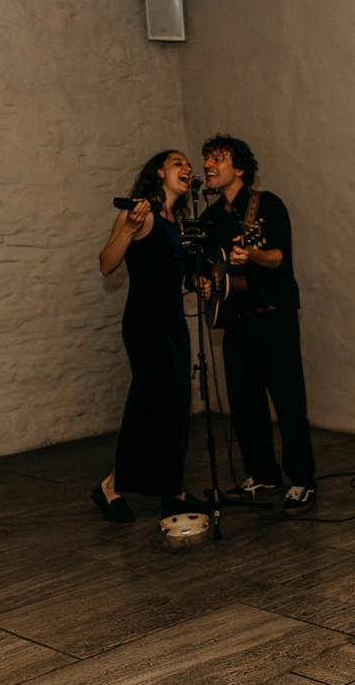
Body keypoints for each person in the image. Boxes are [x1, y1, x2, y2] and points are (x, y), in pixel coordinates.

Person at [201, 134, 316, 516]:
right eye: (206, 159)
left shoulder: (267, 205)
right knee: (244, 402)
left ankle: (302, 479)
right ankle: (264, 473)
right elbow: (205, 266)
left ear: (239, 168)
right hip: (234, 319)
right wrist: (204, 282)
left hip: (274, 317)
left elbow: (279, 256)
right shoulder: (210, 218)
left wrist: (252, 253)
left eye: (217, 158)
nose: (207, 165)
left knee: (288, 399)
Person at [93, 151, 205, 523]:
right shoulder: (139, 214)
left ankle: (172, 491)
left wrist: (197, 281)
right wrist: (128, 229)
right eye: (177, 163)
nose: (187, 168)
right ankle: (112, 486)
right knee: (154, 404)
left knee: (175, 405)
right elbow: (106, 264)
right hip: (145, 323)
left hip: (173, 322)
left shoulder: (178, 222)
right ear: (158, 172)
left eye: (188, 164)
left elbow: (174, 273)